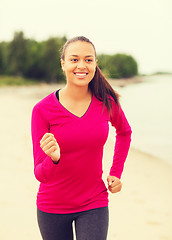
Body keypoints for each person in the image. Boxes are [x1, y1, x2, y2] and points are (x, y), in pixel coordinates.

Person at [31, 36, 132, 240]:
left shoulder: (107, 102)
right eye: (74, 59)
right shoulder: (42, 110)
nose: (81, 66)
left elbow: (124, 132)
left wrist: (116, 173)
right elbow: (40, 174)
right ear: (63, 64)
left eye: (88, 59)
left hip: (94, 202)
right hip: (52, 206)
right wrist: (54, 158)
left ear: (95, 63)